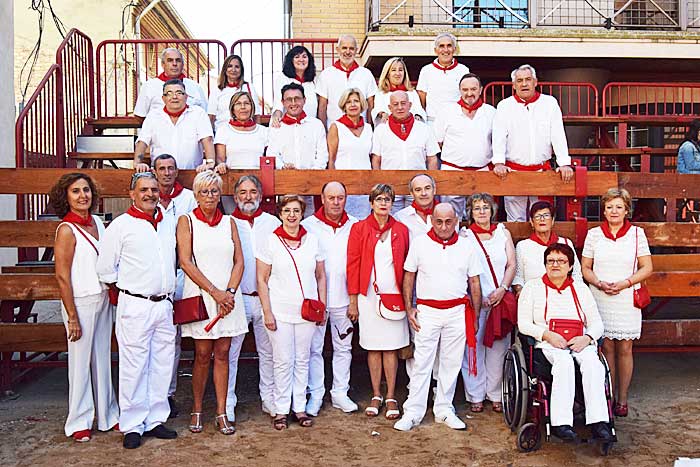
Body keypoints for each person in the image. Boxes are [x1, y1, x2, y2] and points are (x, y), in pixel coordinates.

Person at [96, 172, 178, 449]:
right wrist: (129, 289)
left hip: (164, 304)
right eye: (143, 189)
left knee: (162, 364)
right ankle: (132, 424)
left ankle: (155, 419)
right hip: (136, 303)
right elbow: (105, 269)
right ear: (132, 194)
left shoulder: (166, 221)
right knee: (134, 366)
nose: (150, 194)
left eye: (154, 189)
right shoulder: (121, 226)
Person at [394, 203, 483, 431]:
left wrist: (475, 317)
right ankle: (413, 411)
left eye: (448, 222)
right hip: (428, 312)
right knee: (421, 362)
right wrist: (409, 308)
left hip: (457, 312)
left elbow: (474, 282)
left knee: (451, 363)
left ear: (456, 222)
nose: (443, 227)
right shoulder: (420, 243)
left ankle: (444, 409)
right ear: (431, 221)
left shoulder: (466, 246)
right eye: (439, 222)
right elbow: (409, 276)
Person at [518, 243, 613, 443]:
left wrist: (587, 338)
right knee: (564, 363)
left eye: (561, 261)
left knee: (594, 365)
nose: (555, 265)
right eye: (550, 261)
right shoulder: (532, 288)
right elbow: (523, 324)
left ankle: (599, 423)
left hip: (579, 341)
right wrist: (546, 334)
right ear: (545, 264)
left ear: (570, 266)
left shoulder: (580, 289)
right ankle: (561, 423)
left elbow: (597, 323)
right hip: (549, 344)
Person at [177, 171, 247, 435]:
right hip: (203, 296)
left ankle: (221, 411)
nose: (209, 196)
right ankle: (196, 409)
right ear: (196, 195)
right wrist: (215, 293)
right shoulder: (186, 221)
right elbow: (186, 262)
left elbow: (239, 261)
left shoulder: (230, 222)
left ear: (220, 195)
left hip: (229, 299)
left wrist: (229, 292)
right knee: (203, 355)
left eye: (214, 191)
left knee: (223, 354)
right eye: (204, 191)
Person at [51, 173, 119, 443]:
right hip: (79, 302)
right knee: (80, 363)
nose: (83, 196)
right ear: (66, 197)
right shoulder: (66, 230)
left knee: (102, 358)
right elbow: (62, 276)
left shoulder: (98, 223)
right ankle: (79, 420)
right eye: (76, 191)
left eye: (86, 190)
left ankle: (108, 414)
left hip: (102, 298)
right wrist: (72, 316)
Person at [256, 195, 327, 430]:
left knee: (303, 359)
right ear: (280, 214)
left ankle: (299, 407)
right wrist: (267, 311)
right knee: (283, 360)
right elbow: (262, 279)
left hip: (307, 311)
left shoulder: (312, 240)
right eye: (287, 211)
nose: (292, 215)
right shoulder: (271, 241)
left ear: (302, 213)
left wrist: (322, 305)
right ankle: (281, 409)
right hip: (280, 310)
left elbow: (320, 276)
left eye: (296, 210)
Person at [581, 188, 653, 418]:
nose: (614, 211)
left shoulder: (637, 234)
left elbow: (647, 267)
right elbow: (585, 267)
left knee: (625, 348)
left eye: (619, 207)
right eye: (610, 207)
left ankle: (622, 398)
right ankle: (608, 396)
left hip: (626, 296)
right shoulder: (594, 235)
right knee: (606, 347)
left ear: (626, 210)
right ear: (603, 210)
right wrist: (599, 283)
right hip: (600, 295)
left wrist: (625, 283)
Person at [347, 184, 410, 420]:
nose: (383, 203)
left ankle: (391, 396)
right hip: (368, 297)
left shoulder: (401, 230)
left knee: (391, 347)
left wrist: (407, 300)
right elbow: (352, 265)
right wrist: (353, 300)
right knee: (373, 346)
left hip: (394, 296)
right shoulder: (359, 228)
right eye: (379, 199)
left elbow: (407, 266)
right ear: (371, 202)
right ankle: (376, 394)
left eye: (388, 199)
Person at [302, 181, 359, 415]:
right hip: (316, 299)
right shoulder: (308, 226)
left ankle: (340, 393)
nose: (336, 202)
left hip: (345, 298)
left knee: (343, 347)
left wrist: (355, 300)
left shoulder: (355, 225)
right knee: (314, 348)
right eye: (331, 198)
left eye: (340, 198)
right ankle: (316, 393)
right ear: (322, 199)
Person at [227, 175, 280, 420]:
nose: (248, 197)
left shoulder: (272, 222)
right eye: (243, 192)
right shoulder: (228, 223)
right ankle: (228, 402)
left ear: (260, 195)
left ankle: (269, 398)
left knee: (268, 352)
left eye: (253, 192)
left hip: (265, 298)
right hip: (238, 297)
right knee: (231, 353)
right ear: (235, 196)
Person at [492, 64, 573, 221]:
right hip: (513, 171)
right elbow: (499, 136)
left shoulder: (549, 103)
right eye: (519, 80)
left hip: (541, 171)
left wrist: (564, 163)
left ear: (535, 82)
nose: (524, 84)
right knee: (515, 220)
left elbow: (557, 134)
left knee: (542, 217)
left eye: (528, 79)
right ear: (514, 85)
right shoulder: (504, 106)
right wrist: (499, 162)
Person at [460, 193, 516, 413]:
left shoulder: (502, 232)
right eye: (477, 208)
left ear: (492, 210)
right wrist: (476, 297)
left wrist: (503, 288)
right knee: (473, 348)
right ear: (470, 212)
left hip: (499, 299)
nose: (482, 211)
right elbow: (462, 269)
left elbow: (511, 264)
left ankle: (495, 393)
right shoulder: (465, 236)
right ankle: (475, 394)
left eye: (485, 207)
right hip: (475, 300)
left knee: (498, 348)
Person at [152, 154, 197, 417]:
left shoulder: (188, 197)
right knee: (162, 337)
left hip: (183, 272)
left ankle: (168, 394)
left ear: (177, 171)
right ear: (155, 171)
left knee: (174, 338)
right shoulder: (149, 196)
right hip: (159, 275)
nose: (167, 173)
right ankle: (155, 394)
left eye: (171, 168)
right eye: (162, 168)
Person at [433, 73, 496, 219]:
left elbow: (497, 141)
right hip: (452, 171)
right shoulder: (447, 112)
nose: (469, 93)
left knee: (481, 215)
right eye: (465, 89)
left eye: (473, 89)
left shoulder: (491, 112)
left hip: (482, 172)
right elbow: (437, 142)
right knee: (450, 216)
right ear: (460, 90)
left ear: (480, 90)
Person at [371, 91, 440, 212]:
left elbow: (432, 159)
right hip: (390, 187)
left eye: (403, 103)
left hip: (418, 187)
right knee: (392, 221)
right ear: (389, 107)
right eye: (395, 104)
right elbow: (376, 159)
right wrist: (380, 186)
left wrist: (429, 183)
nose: (400, 107)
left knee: (415, 219)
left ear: (410, 105)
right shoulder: (380, 130)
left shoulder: (424, 129)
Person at [267, 83, 328, 217]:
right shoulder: (276, 127)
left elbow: (322, 154)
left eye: (297, 98)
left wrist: (310, 175)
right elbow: (271, 153)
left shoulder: (316, 125)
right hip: (287, 184)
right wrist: (283, 166)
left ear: (304, 100)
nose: (293, 103)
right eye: (289, 99)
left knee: (311, 221)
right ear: (283, 102)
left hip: (312, 185)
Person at [134, 79, 214, 173]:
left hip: (192, 173)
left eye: (179, 93)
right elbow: (142, 141)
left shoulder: (198, 113)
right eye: (169, 93)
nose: (174, 97)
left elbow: (207, 139)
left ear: (186, 97)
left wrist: (210, 162)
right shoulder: (153, 116)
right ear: (163, 98)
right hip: (161, 174)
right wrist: (137, 163)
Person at [513, 200, 582, 297]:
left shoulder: (566, 243)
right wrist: (521, 291)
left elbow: (576, 274)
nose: (542, 219)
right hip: (534, 296)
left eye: (546, 215)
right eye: (537, 216)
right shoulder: (522, 246)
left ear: (552, 220)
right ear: (532, 222)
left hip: (563, 295)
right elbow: (518, 277)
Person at [327, 88, 373, 219]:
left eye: (356, 101)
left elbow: (371, 156)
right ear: (344, 105)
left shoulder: (368, 128)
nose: (353, 105)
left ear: (361, 104)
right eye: (348, 102)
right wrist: (334, 185)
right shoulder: (336, 126)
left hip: (365, 184)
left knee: (363, 221)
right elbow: (331, 159)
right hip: (343, 183)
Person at [213, 91, 269, 196]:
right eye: (238, 104)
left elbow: (269, 158)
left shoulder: (264, 131)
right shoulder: (223, 130)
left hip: (258, 184)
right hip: (231, 183)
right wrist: (221, 165)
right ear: (232, 109)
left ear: (252, 107)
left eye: (246, 103)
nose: (243, 107)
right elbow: (220, 158)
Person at [316, 34, 377, 129]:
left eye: (351, 48)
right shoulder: (326, 74)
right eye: (344, 48)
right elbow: (322, 106)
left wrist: (369, 129)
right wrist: (324, 132)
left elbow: (370, 104)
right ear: (338, 49)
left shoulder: (366, 74)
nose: (348, 52)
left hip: (360, 130)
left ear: (356, 51)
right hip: (334, 130)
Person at [133, 47, 207, 120]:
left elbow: (205, 114)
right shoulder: (149, 86)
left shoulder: (195, 87)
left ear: (182, 64)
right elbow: (140, 116)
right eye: (170, 60)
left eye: (178, 60)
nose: (174, 64)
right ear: (163, 64)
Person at [416, 33, 469, 124]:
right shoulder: (426, 70)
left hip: (456, 121)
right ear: (435, 50)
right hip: (432, 121)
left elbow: (467, 96)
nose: (446, 50)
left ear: (454, 49)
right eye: (441, 46)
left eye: (449, 46)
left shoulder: (463, 70)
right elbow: (422, 97)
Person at [208, 54, 261, 129]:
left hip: (245, 131)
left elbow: (256, 115)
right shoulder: (217, 90)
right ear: (225, 69)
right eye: (230, 66)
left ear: (241, 70)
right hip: (222, 132)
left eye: (237, 67)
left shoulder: (248, 87)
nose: (233, 70)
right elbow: (211, 116)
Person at [270, 46, 318, 127]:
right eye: (297, 57)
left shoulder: (313, 80)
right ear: (291, 60)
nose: (301, 60)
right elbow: (278, 103)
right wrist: (276, 117)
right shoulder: (283, 78)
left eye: (304, 57)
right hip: (289, 126)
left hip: (309, 126)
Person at [372, 57, 426, 125]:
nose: (397, 73)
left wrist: (417, 116)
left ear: (404, 73)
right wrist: (382, 113)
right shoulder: (381, 94)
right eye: (393, 70)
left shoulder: (412, 93)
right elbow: (378, 109)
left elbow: (419, 110)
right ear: (387, 74)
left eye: (400, 70)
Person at [395, 174, 437, 242]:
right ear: (412, 193)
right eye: (418, 190)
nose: (423, 193)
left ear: (434, 190)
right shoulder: (400, 218)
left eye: (427, 188)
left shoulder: (447, 214)